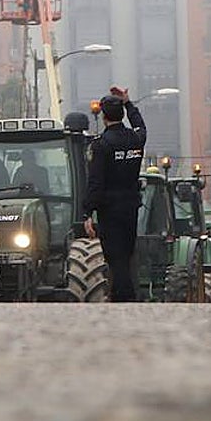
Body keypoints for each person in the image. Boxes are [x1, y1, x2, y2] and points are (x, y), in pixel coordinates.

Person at [83, 85, 146, 302]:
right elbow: (140, 125)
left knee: (114, 254)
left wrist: (87, 212)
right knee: (127, 251)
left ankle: (122, 296)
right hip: (131, 206)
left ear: (103, 117)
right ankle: (124, 294)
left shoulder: (101, 145)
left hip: (109, 209)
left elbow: (95, 182)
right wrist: (128, 103)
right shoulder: (136, 139)